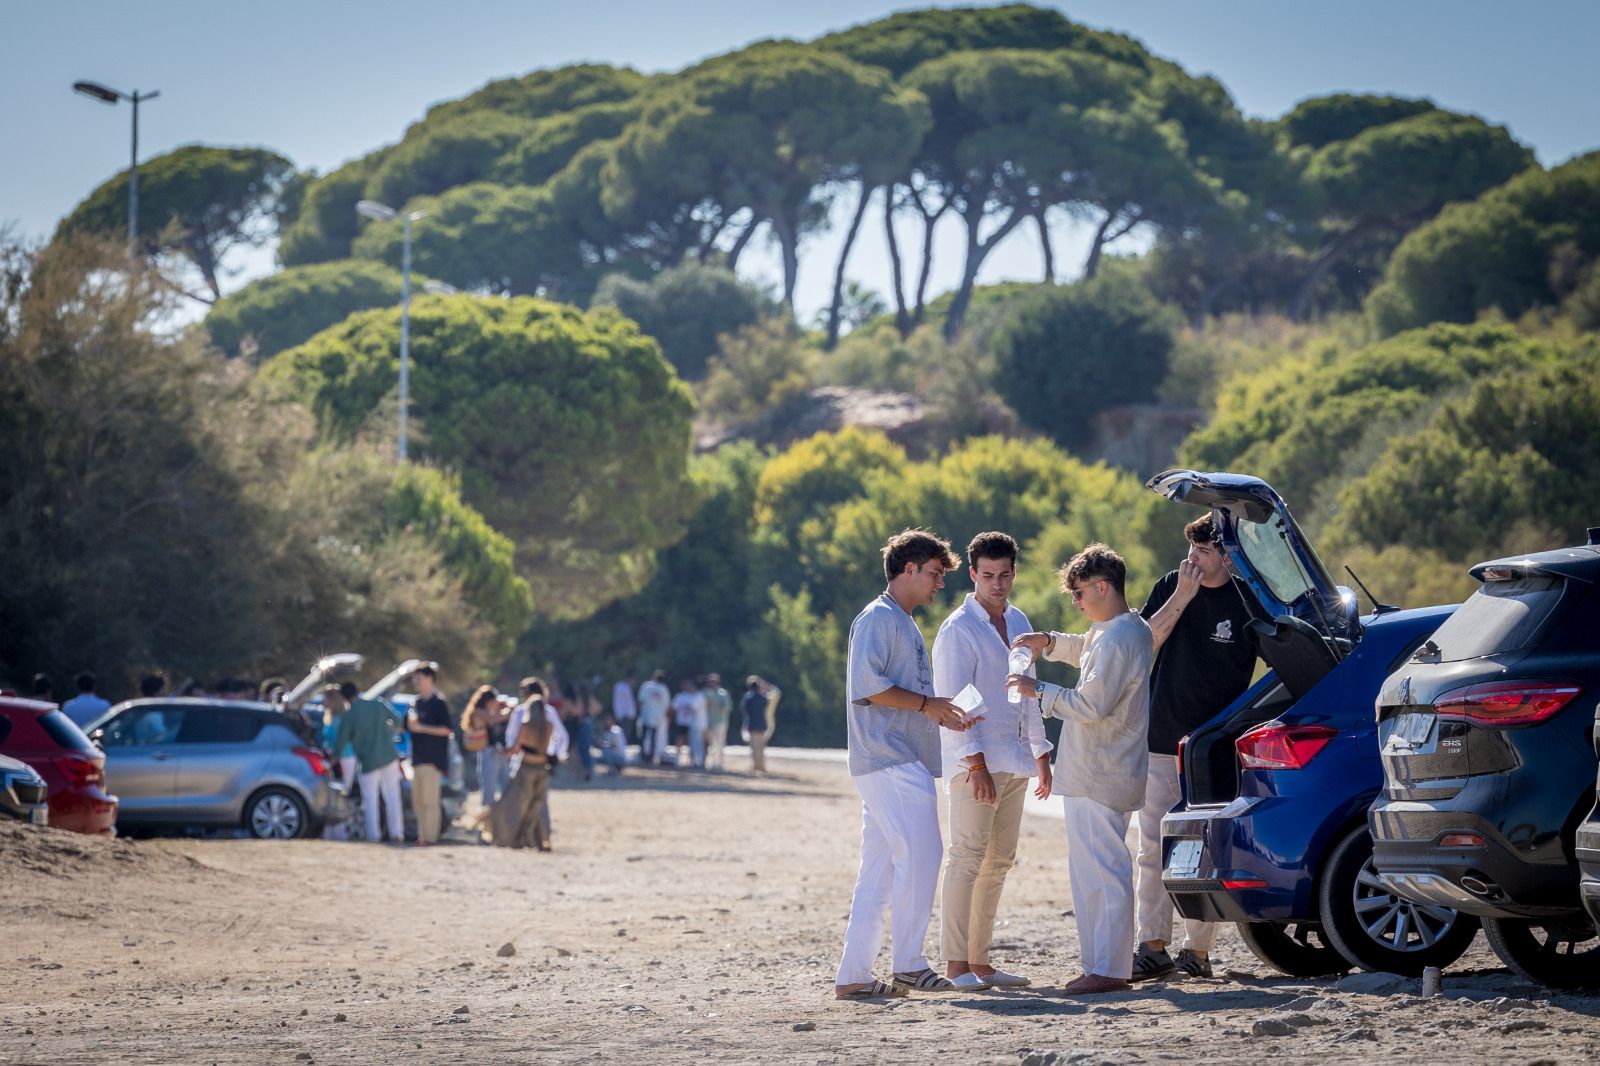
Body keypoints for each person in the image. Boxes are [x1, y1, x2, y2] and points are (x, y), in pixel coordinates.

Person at [834, 528, 980, 1000]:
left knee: (878, 872)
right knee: (922, 855)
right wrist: (926, 706)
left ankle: (854, 976)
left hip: (893, 758)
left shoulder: (901, 618)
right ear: (909, 569)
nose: (940, 584)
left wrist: (938, 712)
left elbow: (899, 693)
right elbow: (868, 685)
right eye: (935, 574)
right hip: (888, 759)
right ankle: (911, 965)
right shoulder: (878, 617)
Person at [1010, 543, 1153, 996]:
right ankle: (1102, 964)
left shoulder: (1117, 638)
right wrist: (1048, 643)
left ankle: (1109, 969)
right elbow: (1086, 648)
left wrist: (1038, 689)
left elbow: (1090, 704)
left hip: (1101, 772)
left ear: (1102, 586)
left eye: (1078, 593)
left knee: (1103, 873)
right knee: (1093, 872)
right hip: (1103, 770)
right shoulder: (1124, 629)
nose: (1075, 601)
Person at [1128, 514, 1259, 981]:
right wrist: (1183, 597)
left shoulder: (1249, 599)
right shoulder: (1172, 584)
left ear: (1227, 557)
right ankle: (1152, 946)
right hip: (1161, 739)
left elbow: (1283, 659)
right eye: (1190, 552)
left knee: (1204, 849)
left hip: (1214, 749)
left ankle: (1197, 952)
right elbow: (1143, 646)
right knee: (1152, 848)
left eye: (1202, 553)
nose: (1191, 561)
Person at [932, 532, 1054, 990]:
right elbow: (957, 700)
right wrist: (976, 764)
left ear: (1014, 573)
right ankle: (956, 966)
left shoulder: (1020, 620)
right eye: (988, 576)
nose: (997, 584)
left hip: (1016, 758)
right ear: (973, 575)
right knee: (966, 858)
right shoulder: (957, 628)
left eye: (1004, 575)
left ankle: (981, 963)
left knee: (999, 861)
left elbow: (1026, 693)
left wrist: (1041, 754)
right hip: (974, 763)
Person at [332, 680, 405, 844]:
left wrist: (332, 760)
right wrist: (388, 732)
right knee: (393, 796)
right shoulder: (378, 704)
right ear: (358, 691)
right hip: (389, 756)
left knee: (370, 800)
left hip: (368, 762)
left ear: (344, 698)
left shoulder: (349, 716)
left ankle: (374, 835)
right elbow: (398, 722)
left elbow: (341, 744)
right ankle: (397, 833)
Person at [494, 677, 561, 850]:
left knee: (520, 806)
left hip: (526, 768)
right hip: (543, 768)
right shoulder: (549, 726)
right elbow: (556, 743)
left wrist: (502, 753)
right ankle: (540, 840)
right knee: (538, 805)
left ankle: (517, 839)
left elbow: (515, 748)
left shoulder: (525, 725)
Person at [406, 665, 453, 847]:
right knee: (418, 801)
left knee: (430, 801)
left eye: (419, 677)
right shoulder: (415, 702)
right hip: (416, 759)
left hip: (433, 760)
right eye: (414, 678)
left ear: (429, 678)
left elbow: (447, 729)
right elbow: (408, 726)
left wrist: (422, 728)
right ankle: (422, 836)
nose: (416, 681)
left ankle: (430, 838)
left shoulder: (439, 703)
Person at [462, 685, 511, 806]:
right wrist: (510, 708)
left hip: (495, 751)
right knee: (489, 789)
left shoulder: (485, 712)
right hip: (488, 752)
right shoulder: (479, 712)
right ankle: (486, 818)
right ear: (487, 701)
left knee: (507, 786)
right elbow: (495, 719)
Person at [321, 684, 358, 786]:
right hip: (337, 757)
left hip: (343, 758)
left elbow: (340, 741)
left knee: (344, 789)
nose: (324, 701)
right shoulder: (332, 717)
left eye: (326, 698)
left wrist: (332, 759)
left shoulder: (339, 719)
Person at [740, 677, 777, 773]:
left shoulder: (748, 699)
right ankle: (761, 766)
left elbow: (744, 711)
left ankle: (756, 765)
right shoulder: (764, 698)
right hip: (762, 725)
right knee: (761, 747)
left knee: (753, 747)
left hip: (752, 725)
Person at [671, 678, 707, 769]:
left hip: (692, 723)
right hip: (682, 722)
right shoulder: (679, 696)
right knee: (680, 740)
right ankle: (678, 759)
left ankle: (692, 760)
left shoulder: (697, 696)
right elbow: (674, 708)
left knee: (693, 742)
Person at [636, 670, 670, 766]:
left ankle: (645, 755)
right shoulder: (663, 689)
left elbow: (640, 701)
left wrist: (640, 712)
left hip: (647, 715)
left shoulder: (646, 686)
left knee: (644, 737)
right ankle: (650, 756)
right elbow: (667, 705)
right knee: (652, 738)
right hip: (657, 717)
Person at [702, 673, 732, 771]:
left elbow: (727, 707)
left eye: (713, 682)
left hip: (720, 722)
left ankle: (718, 763)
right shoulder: (704, 693)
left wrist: (715, 705)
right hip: (708, 722)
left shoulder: (723, 693)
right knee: (710, 744)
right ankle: (710, 762)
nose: (711, 683)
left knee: (719, 743)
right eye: (710, 682)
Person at [611, 673, 638, 741]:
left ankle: (622, 745)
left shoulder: (618, 686)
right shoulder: (625, 687)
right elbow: (629, 702)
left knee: (622, 732)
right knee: (625, 732)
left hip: (621, 712)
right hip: (627, 713)